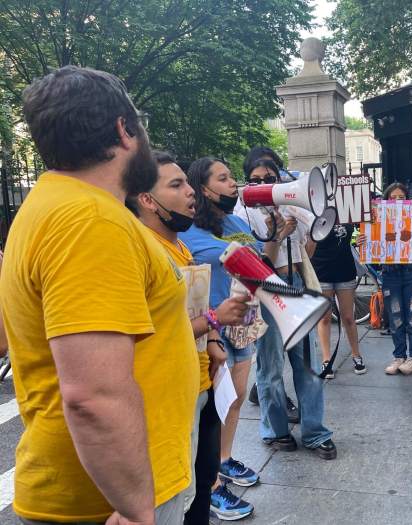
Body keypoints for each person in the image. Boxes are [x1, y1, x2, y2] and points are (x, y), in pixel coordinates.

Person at [0, 65, 198, 524]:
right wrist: (135, 510)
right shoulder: (90, 221)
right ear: (123, 130)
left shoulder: (58, 206)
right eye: (141, 124)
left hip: (108, 488)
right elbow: (93, 394)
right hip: (109, 499)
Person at [125, 151, 252, 523]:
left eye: (188, 184)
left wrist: (212, 339)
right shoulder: (144, 249)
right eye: (176, 185)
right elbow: (147, 330)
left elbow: (191, 313)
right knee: (178, 498)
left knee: (201, 484)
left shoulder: (179, 247)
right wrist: (215, 317)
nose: (190, 193)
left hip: (201, 383)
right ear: (147, 200)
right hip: (169, 399)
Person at [181, 156, 278, 520]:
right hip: (212, 326)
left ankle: (223, 460)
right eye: (223, 179)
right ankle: (210, 486)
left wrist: (275, 239)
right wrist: (207, 333)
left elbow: (260, 267)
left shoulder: (236, 221)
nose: (232, 184)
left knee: (234, 400)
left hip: (244, 317)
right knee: (212, 408)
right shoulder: (186, 230)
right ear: (204, 188)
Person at [237, 157, 337, 459]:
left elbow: (309, 247)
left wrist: (300, 231)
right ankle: (275, 430)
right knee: (270, 366)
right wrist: (276, 236)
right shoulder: (242, 213)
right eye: (256, 179)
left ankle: (315, 432)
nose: (263, 182)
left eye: (269, 176)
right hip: (267, 290)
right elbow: (254, 265)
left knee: (307, 362)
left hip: (295, 283)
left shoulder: (289, 203)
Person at [372, 182, 412, 375]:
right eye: (393, 198)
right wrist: (363, 241)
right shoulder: (377, 221)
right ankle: (399, 356)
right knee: (395, 319)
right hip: (390, 274)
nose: (397, 201)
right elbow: (370, 242)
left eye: (401, 198)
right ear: (386, 201)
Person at [309, 218, 367, 377]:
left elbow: (361, 229)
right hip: (321, 271)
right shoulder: (314, 213)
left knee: (348, 317)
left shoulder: (348, 211)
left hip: (345, 270)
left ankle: (356, 355)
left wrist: (361, 239)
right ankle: (326, 359)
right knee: (324, 318)